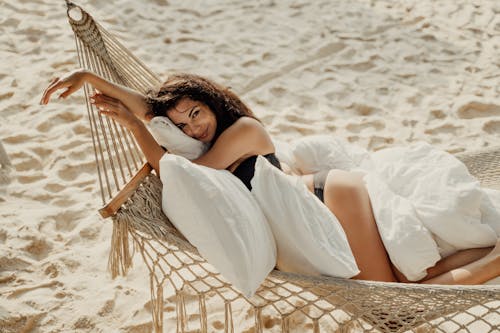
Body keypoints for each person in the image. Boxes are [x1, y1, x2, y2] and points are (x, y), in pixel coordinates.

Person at [40, 68, 500, 285]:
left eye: (197, 114)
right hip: (320, 201)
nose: (191, 128)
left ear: (214, 104)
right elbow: (153, 109)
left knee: (392, 302)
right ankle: (489, 254)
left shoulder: (242, 131)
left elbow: (185, 174)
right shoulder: (205, 136)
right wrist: (89, 79)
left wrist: (137, 129)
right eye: (180, 126)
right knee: (401, 287)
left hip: (333, 196)